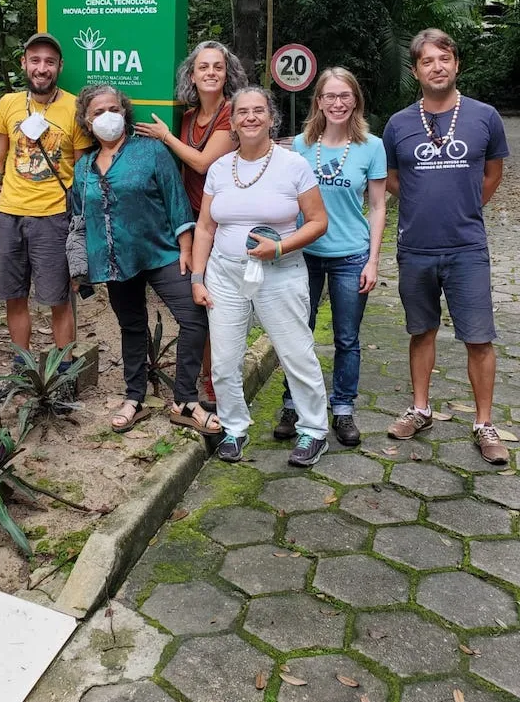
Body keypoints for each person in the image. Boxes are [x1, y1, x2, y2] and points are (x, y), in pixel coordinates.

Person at [382, 29, 510, 464]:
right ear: (415, 71)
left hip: (467, 247)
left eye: (444, 59)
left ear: (456, 64)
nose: (436, 67)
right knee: (421, 330)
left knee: (479, 337)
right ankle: (420, 409)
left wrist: (467, 207)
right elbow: (395, 179)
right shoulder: (398, 124)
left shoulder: (484, 116)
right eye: (427, 61)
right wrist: (423, 206)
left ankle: (484, 423)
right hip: (415, 247)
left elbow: (493, 172)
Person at [191, 86, 330, 466]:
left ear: (271, 118)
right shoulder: (220, 168)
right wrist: (198, 278)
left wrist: (280, 247)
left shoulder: (293, 165)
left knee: (295, 353)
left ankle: (314, 430)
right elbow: (205, 227)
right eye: (242, 112)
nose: (250, 117)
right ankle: (234, 428)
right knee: (224, 360)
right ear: (232, 121)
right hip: (225, 273)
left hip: (280, 272)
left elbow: (318, 222)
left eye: (258, 111)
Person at [72, 84, 220, 436]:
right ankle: (134, 397)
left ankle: (185, 399)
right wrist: (81, 269)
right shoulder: (84, 167)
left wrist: (185, 248)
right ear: (87, 121)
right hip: (115, 260)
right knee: (132, 327)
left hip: (162, 252)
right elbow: (80, 219)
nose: (107, 117)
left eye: (113, 109)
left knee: (194, 316)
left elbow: (176, 200)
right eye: (98, 112)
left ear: (124, 112)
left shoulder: (151, 151)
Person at [0, 34, 92, 394]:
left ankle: (65, 371)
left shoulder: (74, 108)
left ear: (59, 68)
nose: (42, 68)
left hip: (55, 216)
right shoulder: (9, 104)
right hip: (10, 213)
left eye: (50, 62)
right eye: (35, 60)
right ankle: (21, 368)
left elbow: (85, 169)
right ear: (24, 63)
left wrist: (84, 226)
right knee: (14, 295)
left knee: (58, 297)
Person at [277, 67, 387, 447]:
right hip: (303, 254)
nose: (337, 103)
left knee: (346, 338)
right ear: (318, 102)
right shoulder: (301, 145)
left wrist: (373, 260)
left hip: (350, 255)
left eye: (345, 96)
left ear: (355, 99)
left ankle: (342, 408)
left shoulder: (372, 146)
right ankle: (294, 404)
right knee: (296, 334)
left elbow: (377, 206)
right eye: (330, 97)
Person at [136, 40, 247, 402]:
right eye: (203, 67)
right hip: (191, 221)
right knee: (201, 302)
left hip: (221, 224)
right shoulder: (186, 116)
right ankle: (208, 379)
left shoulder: (233, 114)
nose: (211, 73)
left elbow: (202, 162)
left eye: (218, 66)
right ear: (192, 75)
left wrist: (166, 137)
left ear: (227, 72)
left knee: (221, 305)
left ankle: (220, 386)